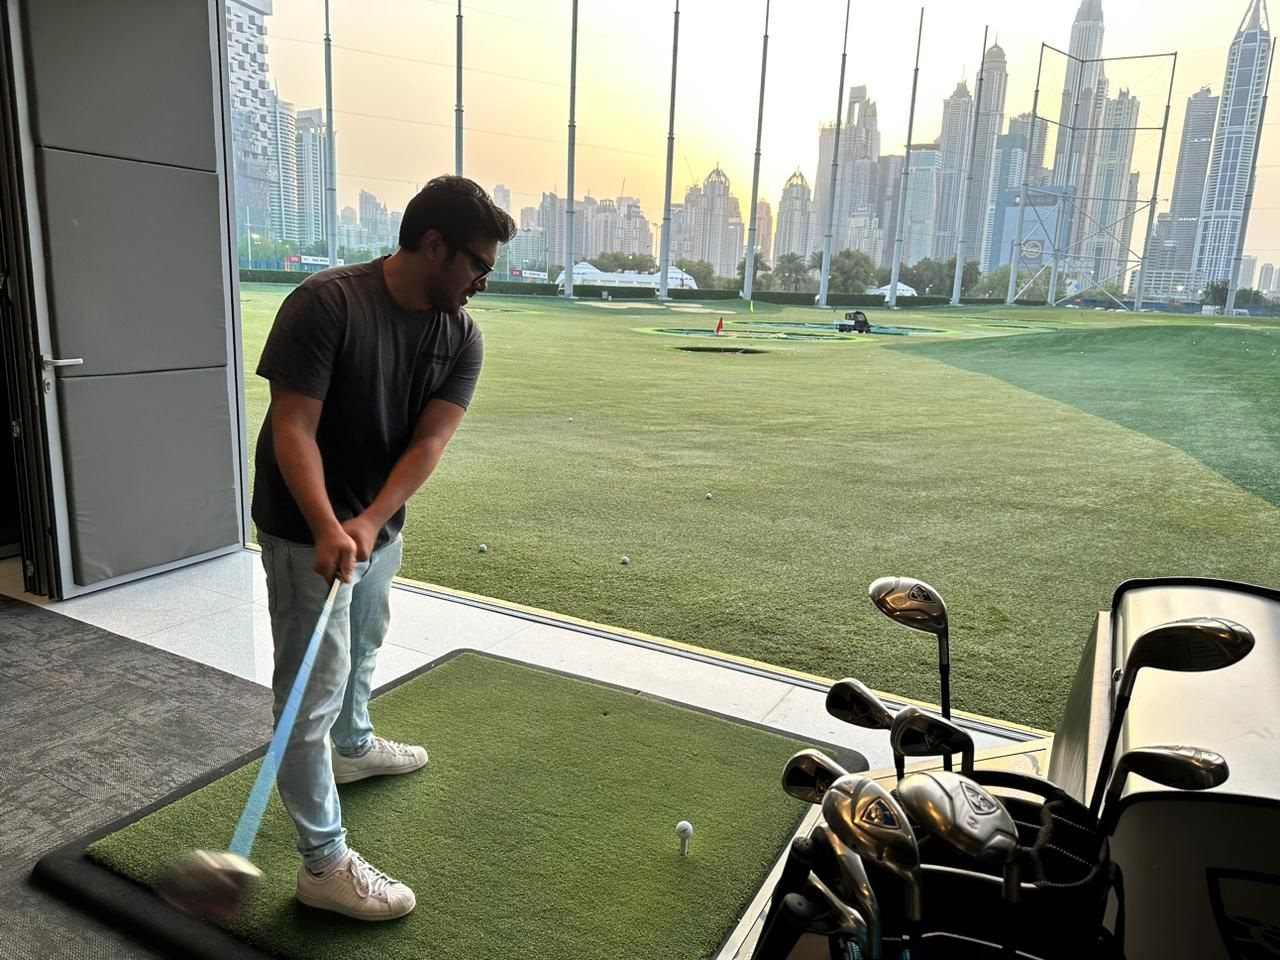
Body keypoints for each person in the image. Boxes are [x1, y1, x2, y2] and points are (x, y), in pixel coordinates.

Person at [252, 176, 516, 920]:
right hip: (302, 527)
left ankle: (355, 746)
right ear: (433, 245)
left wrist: (369, 521)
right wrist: (328, 525)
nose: (483, 282)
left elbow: (429, 442)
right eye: (477, 265)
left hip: (375, 523)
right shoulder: (327, 303)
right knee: (310, 692)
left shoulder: (460, 334)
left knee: (365, 641)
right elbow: (292, 426)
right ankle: (323, 863)